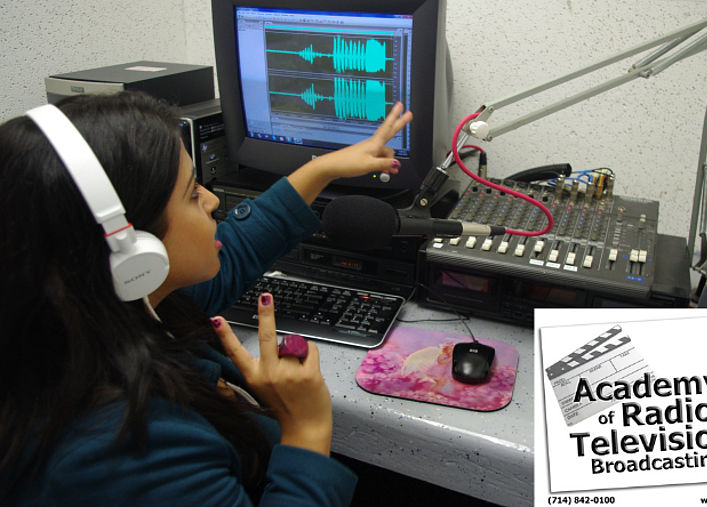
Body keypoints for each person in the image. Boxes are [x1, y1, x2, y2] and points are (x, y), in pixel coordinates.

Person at [0, 90, 412, 505]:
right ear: (132, 250)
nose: (212, 200)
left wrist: (323, 169)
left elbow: (235, 250)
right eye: (192, 193)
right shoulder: (126, 451)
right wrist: (306, 429)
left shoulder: (104, 309)